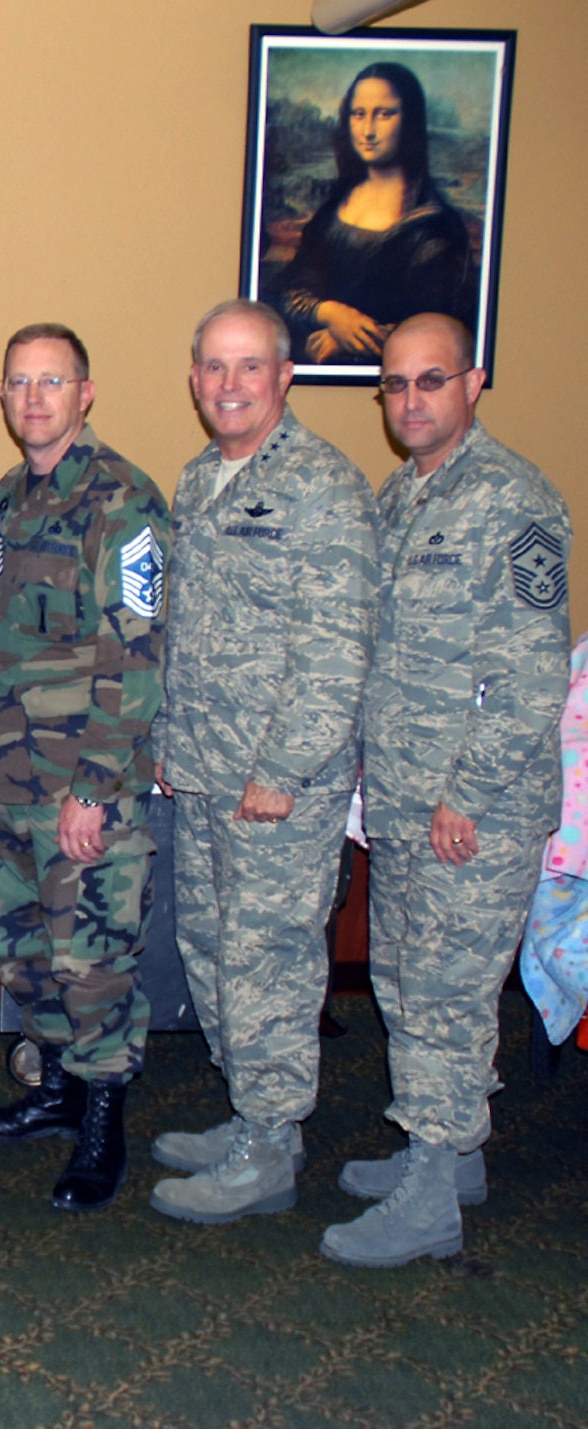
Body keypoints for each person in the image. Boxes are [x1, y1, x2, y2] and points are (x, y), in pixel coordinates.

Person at [322, 313, 571, 1267]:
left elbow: (530, 672)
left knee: (447, 993)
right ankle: (452, 1151)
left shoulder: (513, 501)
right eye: (396, 383)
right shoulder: (401, 497)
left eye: (431, 380)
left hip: (476, 807)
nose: (411, 399)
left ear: (473, 382)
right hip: (405, 796)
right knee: (401, 978)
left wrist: (467, 791)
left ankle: (431, 1197)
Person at [148, 300, 379, 1225]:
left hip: (278, 783)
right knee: (211, 949)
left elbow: (337, 647)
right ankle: (251, 1110)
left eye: (250, 366)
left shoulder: (323, 485)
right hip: (205, 770)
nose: (229, 384)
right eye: (213, 366)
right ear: (195, 377)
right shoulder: (201, 478)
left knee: (270, 960)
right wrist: (170, 744)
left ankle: (272, 1144)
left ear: (285, 377)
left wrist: (282, 769)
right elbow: (184, 630)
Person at [0, 323, 169, 1213]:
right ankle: (53, 1093)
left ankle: (101, 1123)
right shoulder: (4, 500)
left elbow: (138, 651)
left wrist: (95, 784)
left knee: (93, 961)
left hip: (85, 787)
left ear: (85, 393)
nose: (34, 398)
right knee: (28, 957)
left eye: (52, 382)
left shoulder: (125, 501)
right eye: (19, 383)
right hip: (10, 778)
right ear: (4, 398)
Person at [276, 62, 475, 365]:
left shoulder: (436, 226)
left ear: (409, 120)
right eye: (359, 114)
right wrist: (332, 313)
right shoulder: (333, 210)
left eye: (384, 114)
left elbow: (437, 329)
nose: (368, 131)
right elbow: (290, 293)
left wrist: (352, 341)